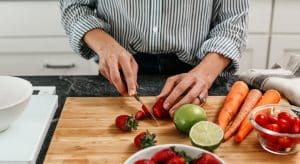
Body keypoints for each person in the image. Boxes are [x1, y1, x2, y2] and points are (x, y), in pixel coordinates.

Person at [60, 0, 249, 116]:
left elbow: (233, 22)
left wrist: (204, 75)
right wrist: (105, 46)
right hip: (118, 70)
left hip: (199, 74)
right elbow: (74, 6)